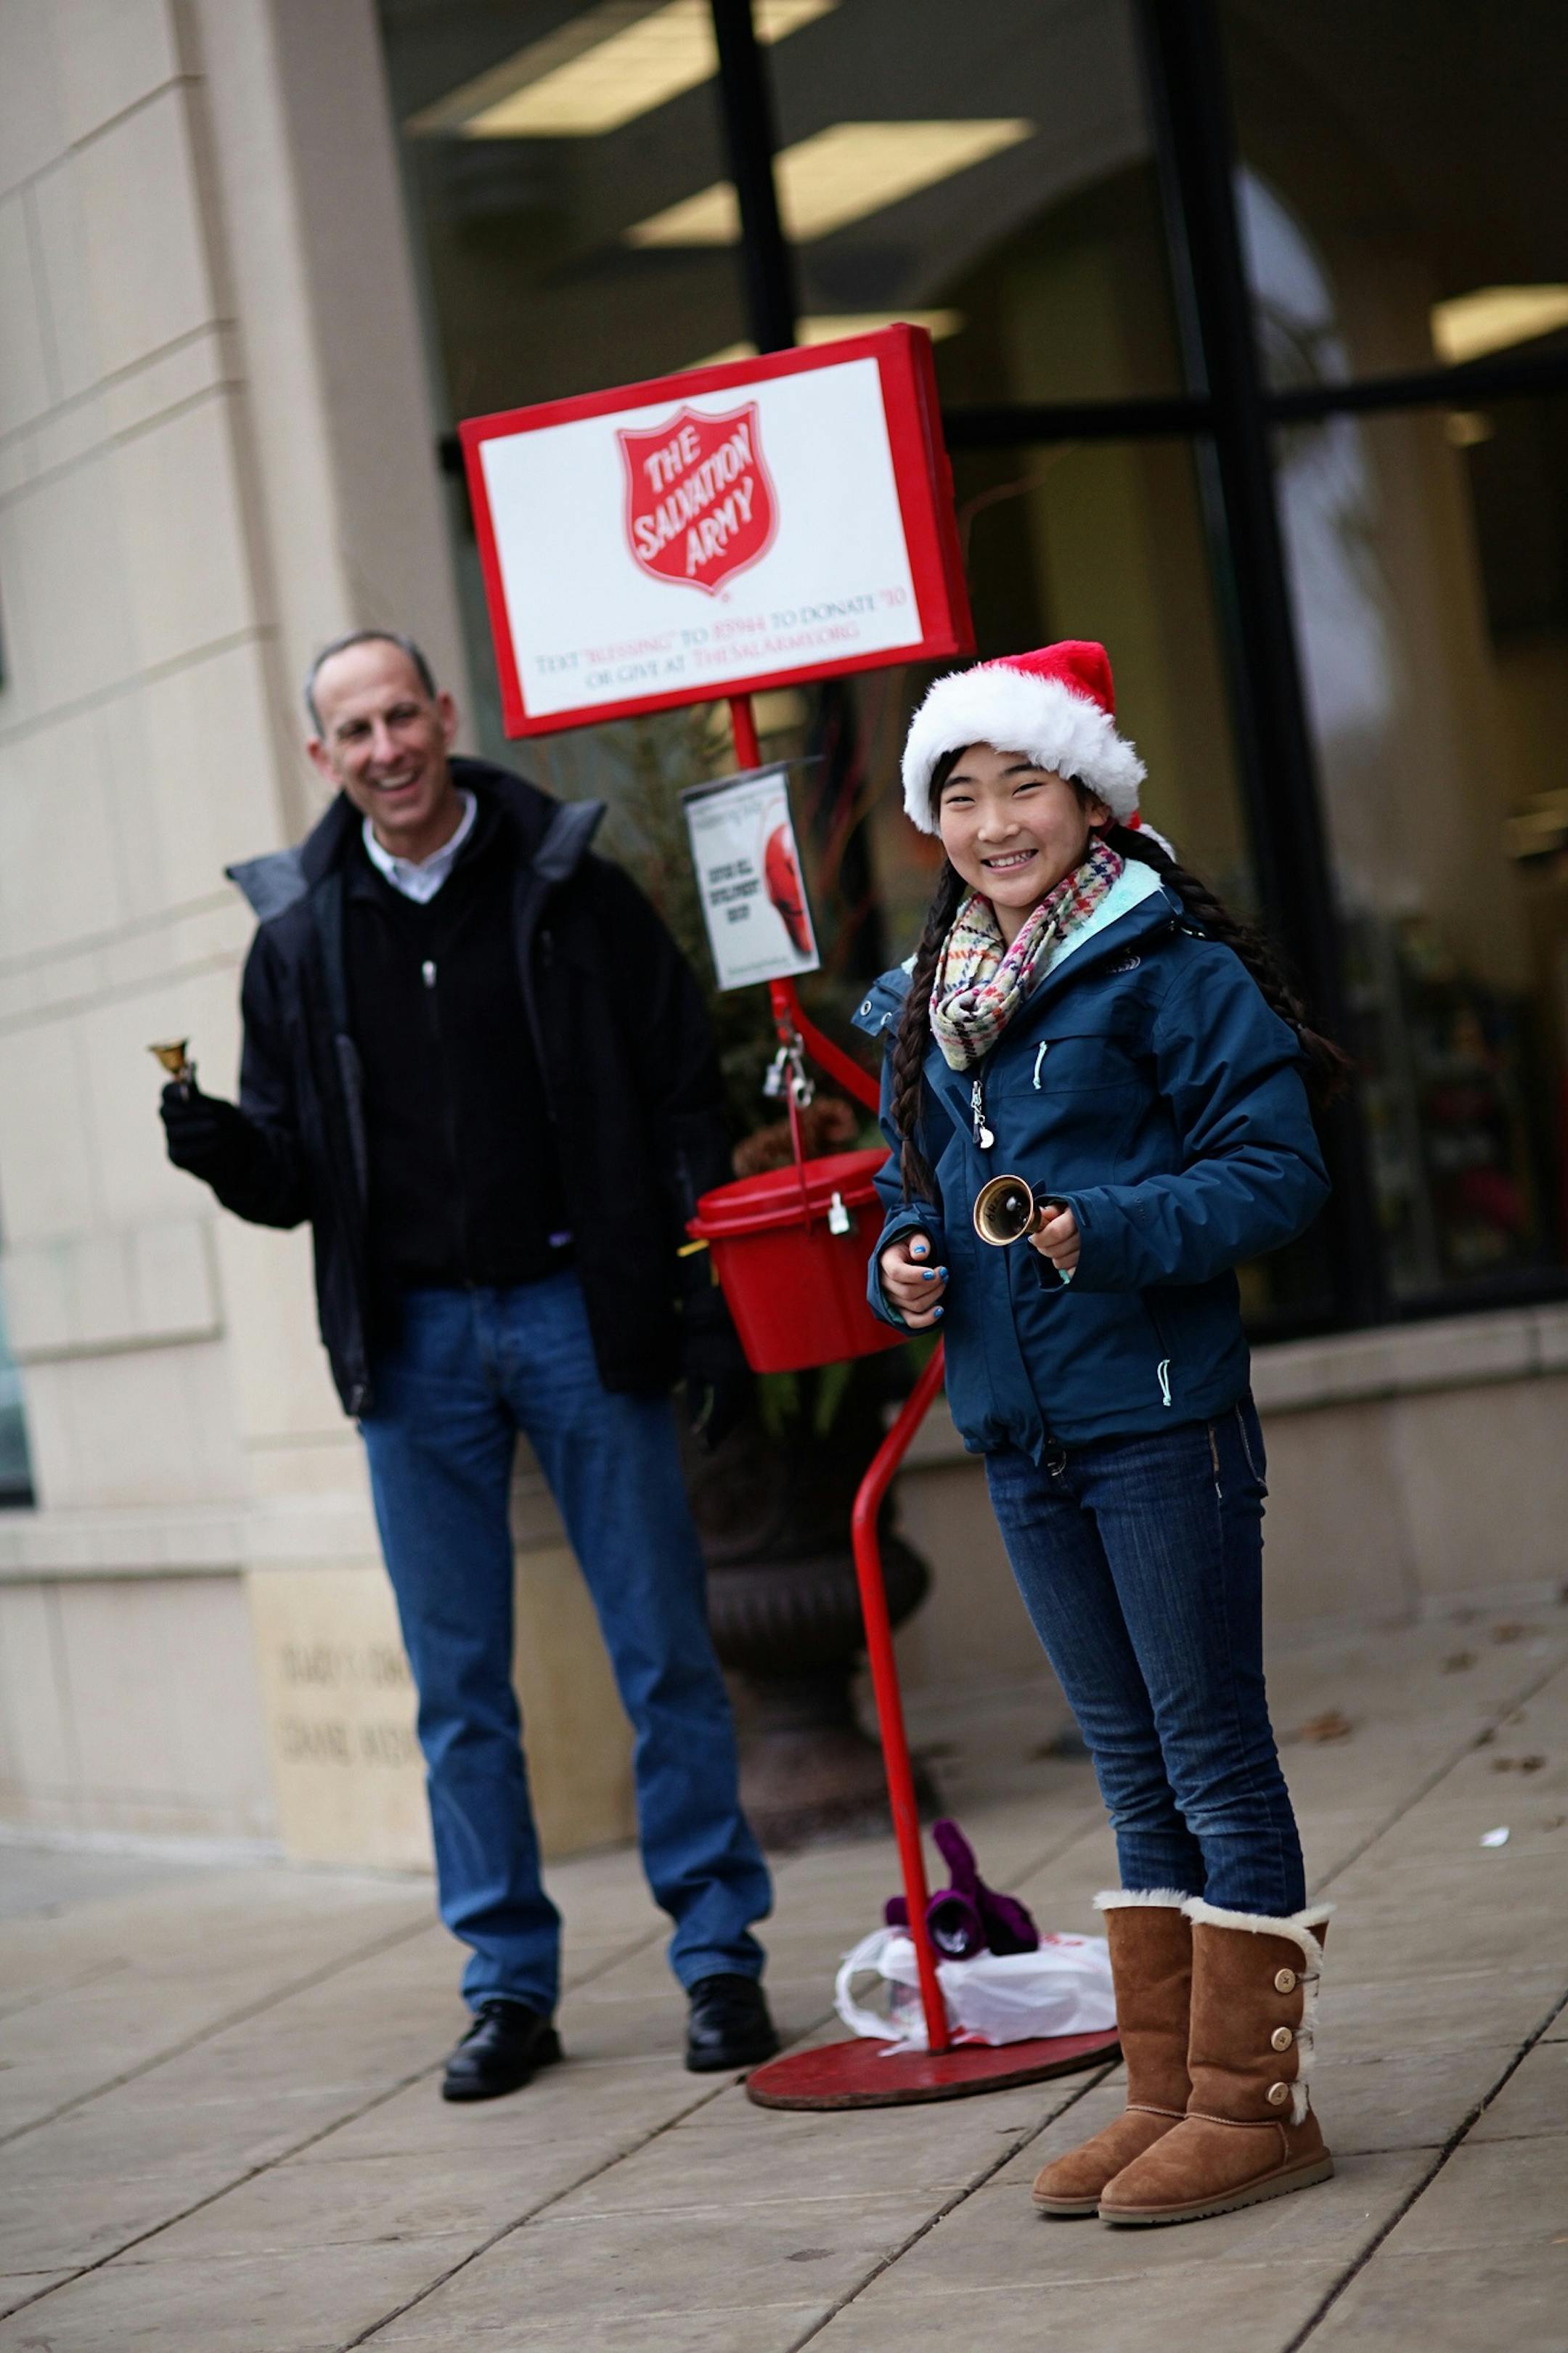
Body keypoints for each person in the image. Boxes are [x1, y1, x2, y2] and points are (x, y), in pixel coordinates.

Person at [159, 629, 776, 2098]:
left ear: (445, 715)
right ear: (324, 758)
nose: (386, 747)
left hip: (577, 1307)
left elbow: (685, 1090)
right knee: (457, 1689)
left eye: (402, 714)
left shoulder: (571, 888)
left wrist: (701, 1300)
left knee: (664, 1651)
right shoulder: (299, 938)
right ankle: (507, 1985)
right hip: (415, 1338)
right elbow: (297, 1169)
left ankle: (719, 1959)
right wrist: (227, 1153)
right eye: (352, 730)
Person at [855, 640, 1340, 2228]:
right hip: (1018, 1429)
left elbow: (1278, 1176)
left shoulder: (1165, 963)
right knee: (1131, 1768)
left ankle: (1257, 2110)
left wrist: (1104, 1229)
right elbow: (902, 1185)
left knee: (1210, 1756)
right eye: (963, 792)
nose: (996, 821)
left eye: (1026, 783)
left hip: (1159, 1419)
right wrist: (901, 1261)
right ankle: (1161, 2094)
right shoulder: (934, 997)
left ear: (1090, 794)